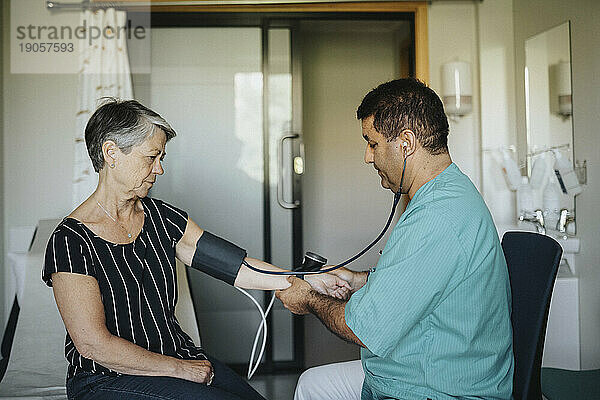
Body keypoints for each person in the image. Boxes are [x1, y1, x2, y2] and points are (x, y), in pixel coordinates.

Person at [42, 98, 351, 400]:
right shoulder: (71, 241)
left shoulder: (162, 218)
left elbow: (238, 267)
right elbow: (93, 345)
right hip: (107, 379)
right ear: (111, 152)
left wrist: (307, 279)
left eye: (161, 157)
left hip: (178, 355)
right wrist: (180, 370)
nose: (159, 169)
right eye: (151, 157)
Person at [276, 78, 514, 400]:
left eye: (372, 143)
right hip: (421, 368)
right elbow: (422, 280)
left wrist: (308, 298)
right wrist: (356, 280)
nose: (367, 156)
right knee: (311, 384)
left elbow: (362, 329)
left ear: (405, 143)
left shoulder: (436, 218)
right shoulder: (448, 193)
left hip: (436, 389)